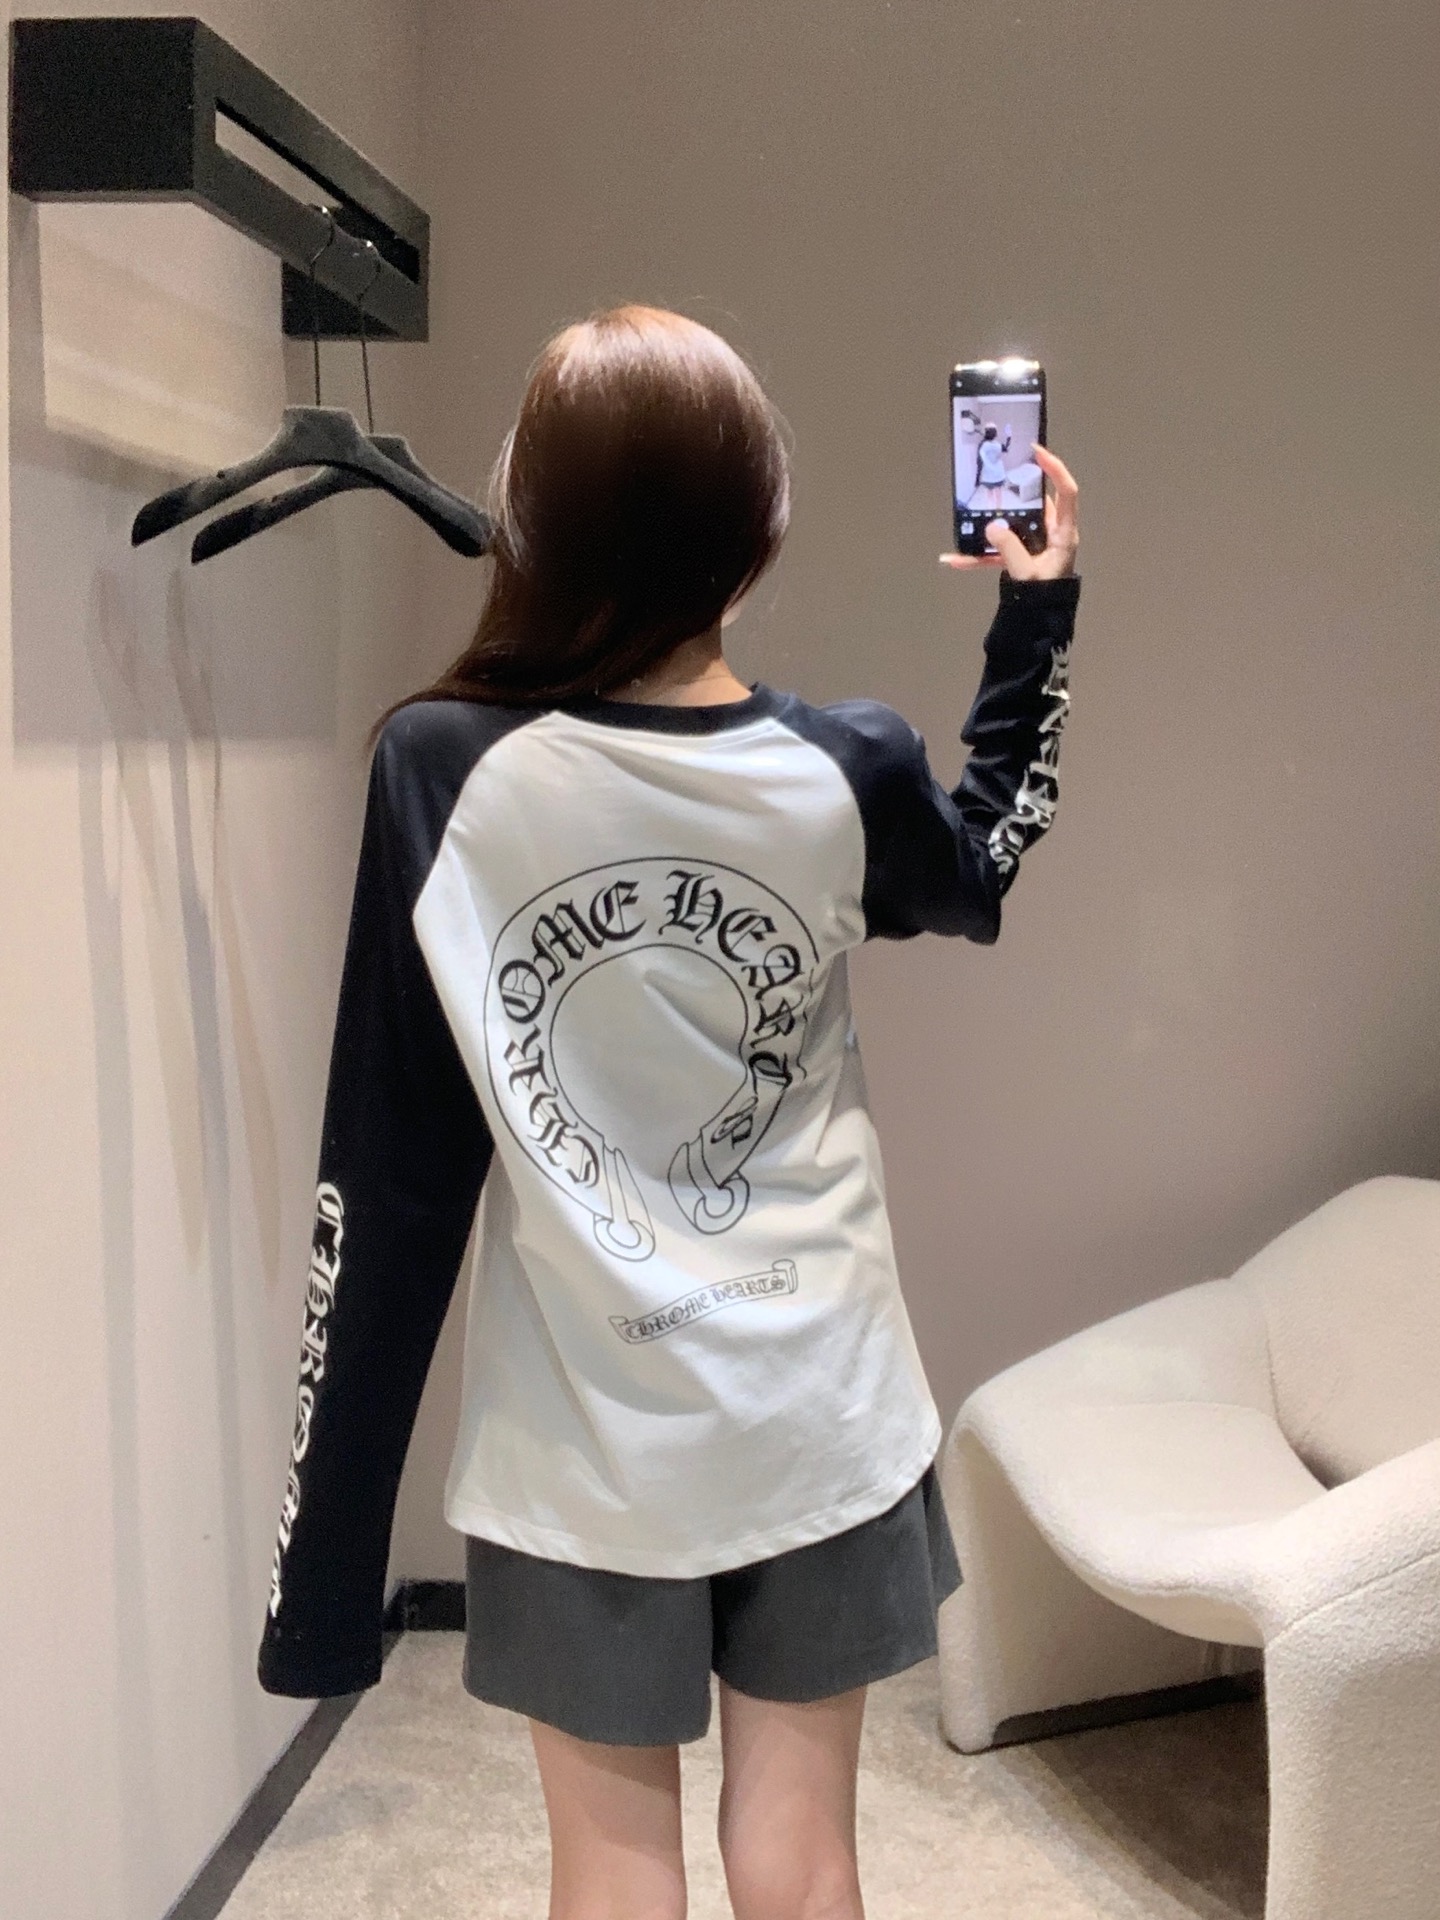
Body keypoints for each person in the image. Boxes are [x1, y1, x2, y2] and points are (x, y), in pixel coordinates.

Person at [256, 303, 1080, 1920]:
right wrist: (1035, 617)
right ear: (756, 535)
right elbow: (983, 860)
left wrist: (323, 1571)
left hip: (581, 1440)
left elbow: (393, 1175)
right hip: (820, 1406)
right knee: (803, 1859)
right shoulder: (844, 768)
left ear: (533, 529)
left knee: (614, 1872)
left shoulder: (443, 771)